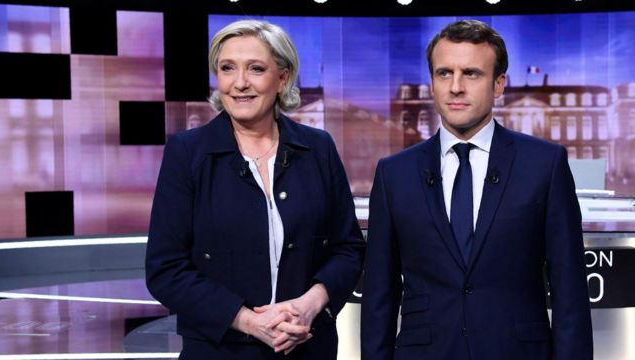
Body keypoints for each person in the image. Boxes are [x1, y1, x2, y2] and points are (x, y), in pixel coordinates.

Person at [361, 20, 592, 359]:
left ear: (499, 84)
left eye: (471, 73)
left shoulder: (544, 164)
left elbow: (569, 290)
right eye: (444, 73)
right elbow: (379, 296)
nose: (455, 87)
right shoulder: (393, 174)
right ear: (432, 82)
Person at [146, 19, 365, 359]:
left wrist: (310, 304)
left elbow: (349, 248)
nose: (240, 83)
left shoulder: (318, 148)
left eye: (256, 69)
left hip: (308, 345)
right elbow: (166, 269)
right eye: (227, 68)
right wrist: (248, 321)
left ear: (283, 78)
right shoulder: (187, 153)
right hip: (222, 350)